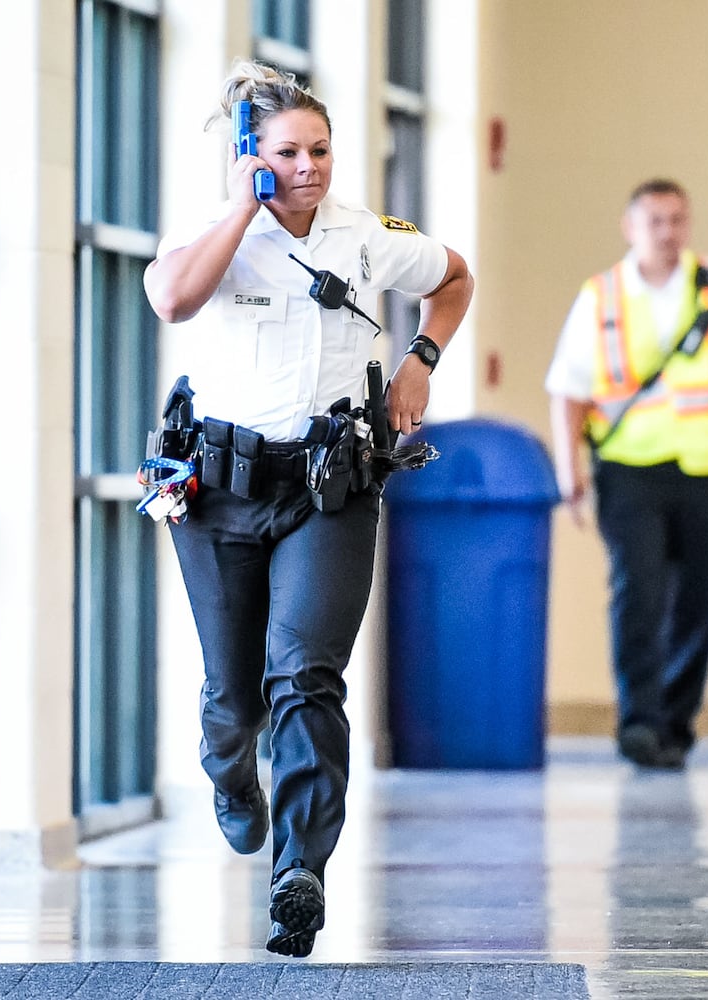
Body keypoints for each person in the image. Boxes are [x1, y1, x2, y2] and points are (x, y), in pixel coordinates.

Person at [142, 61, 473, 957]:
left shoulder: (366, 237)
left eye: (322, 149)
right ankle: (230, 773)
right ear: (252, 153)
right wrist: (245, 210)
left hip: (330, 489)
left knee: (306, 675)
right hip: (219, 494)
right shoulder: (211, 233)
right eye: (289, 152)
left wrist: (421, 359)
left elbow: (454, 276)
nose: (312, 166)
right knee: (233, 694)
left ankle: (302, 871)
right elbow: (171, 300)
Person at [545, 178, 708, 769]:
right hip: (630, 466)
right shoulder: (601, 296)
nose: (668, 232)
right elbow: (569, 391)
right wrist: (571, 475)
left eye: (678, 220)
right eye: (656, 221)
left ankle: (677, 721)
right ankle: (640, 723)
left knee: (698, 597)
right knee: (639, 594)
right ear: (631, 227)